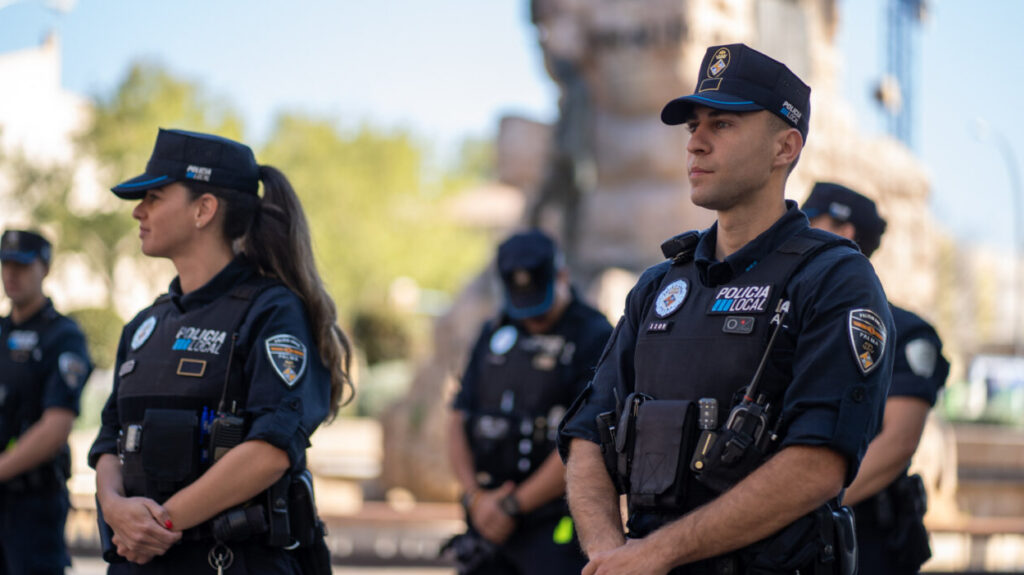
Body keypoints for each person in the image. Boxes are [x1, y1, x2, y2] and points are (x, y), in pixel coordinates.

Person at [557, 43, 895, 575]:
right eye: (693, 126)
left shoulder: (833, 279)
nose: (695, 143)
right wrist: (609, 553)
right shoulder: (660, 285)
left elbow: (818, 464)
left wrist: (659, 554)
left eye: (723, 124)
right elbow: (585, 435)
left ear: (785, 147)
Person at [87, 128, 353, 574]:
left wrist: (158, 525)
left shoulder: (273, 311)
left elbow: (271, 449)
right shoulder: (144, 326)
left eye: (153, 196)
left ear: (203, 209)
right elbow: (107, 442)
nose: (138, 212)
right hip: (137, 558)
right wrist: (115, 510)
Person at [446, 229, 613, 574]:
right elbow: (457, 417)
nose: (531, 317)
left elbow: (585, 439)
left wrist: (513, 505)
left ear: (562, 276)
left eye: (539, 299)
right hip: (485, 523)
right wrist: (476, 497)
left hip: (553, 529)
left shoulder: (594, 336)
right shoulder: (493, 332)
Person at [805, 182, 949, 574]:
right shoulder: (795, 323)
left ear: (843, 231)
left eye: (811, 223)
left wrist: (801, 506)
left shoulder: (903, 331)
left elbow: (899, 441)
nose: (799, 238)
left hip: (863, 538)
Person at [0, 229, 93, 575]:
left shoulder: (63, 336)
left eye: (22, 265)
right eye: (6, 264)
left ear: (45, 268)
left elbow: (56, 426)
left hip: (33, 504)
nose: (12, 274)